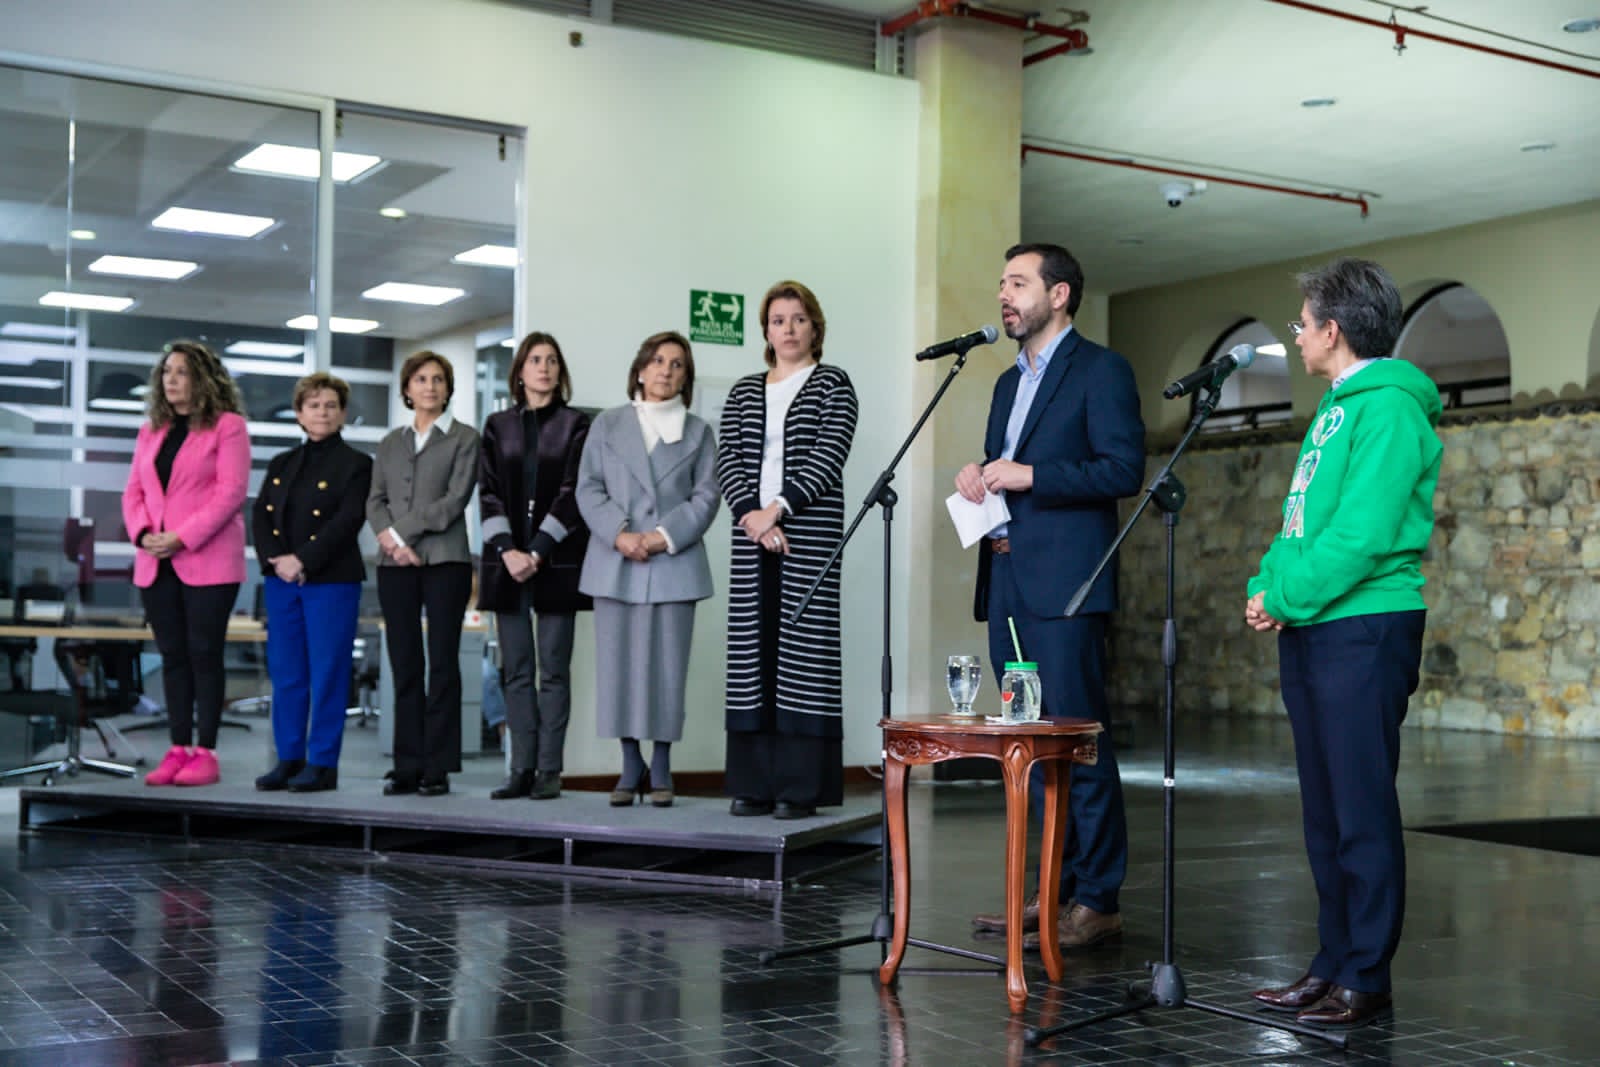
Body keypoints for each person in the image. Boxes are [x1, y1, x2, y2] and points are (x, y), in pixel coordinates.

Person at [1246, 258, 1441, 1030]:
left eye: (1301, 323)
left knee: (1360, 805)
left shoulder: (1389, 408)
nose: (1296, 335)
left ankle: (1367, 972)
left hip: (1366, 624)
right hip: (1318, 622)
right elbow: (1302, 519)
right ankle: (1331, 962)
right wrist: (1270, 583)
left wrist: (1288, 594)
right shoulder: (1336, 405)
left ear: (1333, 329)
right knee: (1325, 811)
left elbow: (1360, 537)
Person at [958, 243, 1145, 949]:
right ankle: (1049, 891)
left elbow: (1122, 466)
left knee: (1077, 742)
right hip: (1007, 578)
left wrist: (1030, 475)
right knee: (1028, 747)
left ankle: (1098, 898)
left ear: (1059, 294)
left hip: (1067, 588)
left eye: (1018, 283)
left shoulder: (1101, 370)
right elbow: (1009, 469)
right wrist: (980, 475)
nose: (1004, 295)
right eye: (1001, 282)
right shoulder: (1009, 383)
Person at [716, 281, 857, 820]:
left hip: (808, 534)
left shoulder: (832, 385)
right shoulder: (744, 391)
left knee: (804, 655)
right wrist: (754, 521)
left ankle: (799, 788)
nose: (789, 329)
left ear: (814, 328)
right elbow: (727, 456)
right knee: (755, 655)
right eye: (779, 320)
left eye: (799, 319)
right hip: (753, 535)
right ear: (766, 331)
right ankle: (753, 784)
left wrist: (778, 509)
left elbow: (829, 455)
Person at [576, 331, 719, 809]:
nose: (666, 370)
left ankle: (661, 762)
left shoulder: (699, 432)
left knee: (666, 669)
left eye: (677, 364)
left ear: (686, 376)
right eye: (658, 361)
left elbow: (706, 496)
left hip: (673, 560)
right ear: (640, 369)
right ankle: (629, 761)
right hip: (616, 560)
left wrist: (662, 536)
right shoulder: (607, 426)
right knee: (617, 667)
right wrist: (620, 533)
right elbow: (588, 488)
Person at [122, 341, 250, 788]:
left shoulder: (228, 427)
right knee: (173, 657)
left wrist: (182, 537)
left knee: (204, 654)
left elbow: (231, 492)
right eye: (166, 372)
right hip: (155, 560)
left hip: (207, 559)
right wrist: (143, 535)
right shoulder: (150, 431)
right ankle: (178, 748)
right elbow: (134, 492)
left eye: (181, 372)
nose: (170, 380)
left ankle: (207, 752)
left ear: (203, 379)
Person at [478, 332, 591, 801]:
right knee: (517, 670)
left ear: (559, 372)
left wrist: (539, 549)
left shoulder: (575, 424)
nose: (543, 368)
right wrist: (508, 550)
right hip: (506, 563)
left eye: (551, 361)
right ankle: (519, 768)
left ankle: (549, 770)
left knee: (554, 671)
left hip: (556, 561)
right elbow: (486, 492)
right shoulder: (497, 425)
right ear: (519, 371)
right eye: (534, 360)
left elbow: (574, 492)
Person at [252, 372, 372, 793]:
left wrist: (302, 559)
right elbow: (261, 516)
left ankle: (322, 762)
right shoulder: (283, 463)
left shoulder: (358, 465)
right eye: (314, 405)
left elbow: (348, 521)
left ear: (341, 414)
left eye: (331, 405)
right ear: (300, 414)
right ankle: (289, 757)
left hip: (330, 581)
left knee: (328, 673)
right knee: (286, 673)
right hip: (282, 581)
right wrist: (279, 562)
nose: (322, 412)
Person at [367, 351, 480, 797]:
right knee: (405, 664)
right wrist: (391, 541)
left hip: (446, 563)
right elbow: (374, 500)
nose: (429, 387)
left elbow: (454, 502)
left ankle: (438, 766)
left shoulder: (465, 439)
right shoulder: (390, 442)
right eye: (420, 379)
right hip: (395, 566)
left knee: (444, 664)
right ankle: (406, 764)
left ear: (448, 389)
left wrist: (401, 532)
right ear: (407, 389)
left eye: (438, 379)